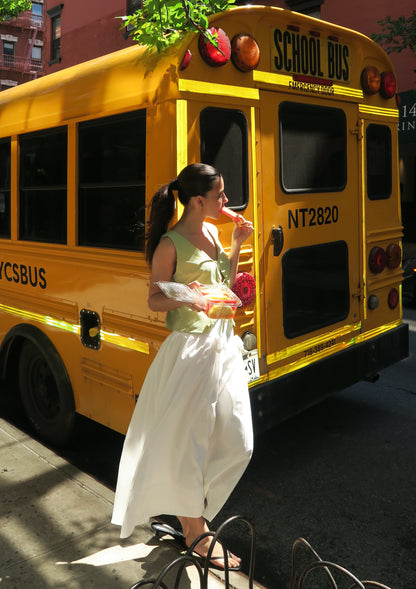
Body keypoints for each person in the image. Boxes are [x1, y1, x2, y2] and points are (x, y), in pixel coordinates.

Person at [111, 163, 254, 570]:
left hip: (223, 346)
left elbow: (223, 279)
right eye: (221, 195)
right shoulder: (170, 245)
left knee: (239, 440)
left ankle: (189, 511)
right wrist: (187, 299)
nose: (226, 201)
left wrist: (238, 244)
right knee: (189, 445)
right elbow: (155, 300)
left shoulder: (212, 232)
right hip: (190, 352)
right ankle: (195, 529)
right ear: (198, 201)